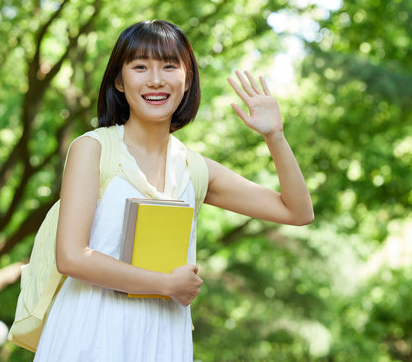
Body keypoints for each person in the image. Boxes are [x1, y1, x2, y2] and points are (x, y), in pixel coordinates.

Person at [33, 20, 314, 361]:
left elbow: (297, 212)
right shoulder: (93, 149)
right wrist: (166, 285)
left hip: (162, 337)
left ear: (188, 79)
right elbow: (72, 257)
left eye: (169, 66)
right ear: (119, 82)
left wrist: (275, 136)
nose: (155, 79)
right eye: (140, 67)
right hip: (91, 332)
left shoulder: (194, 168)